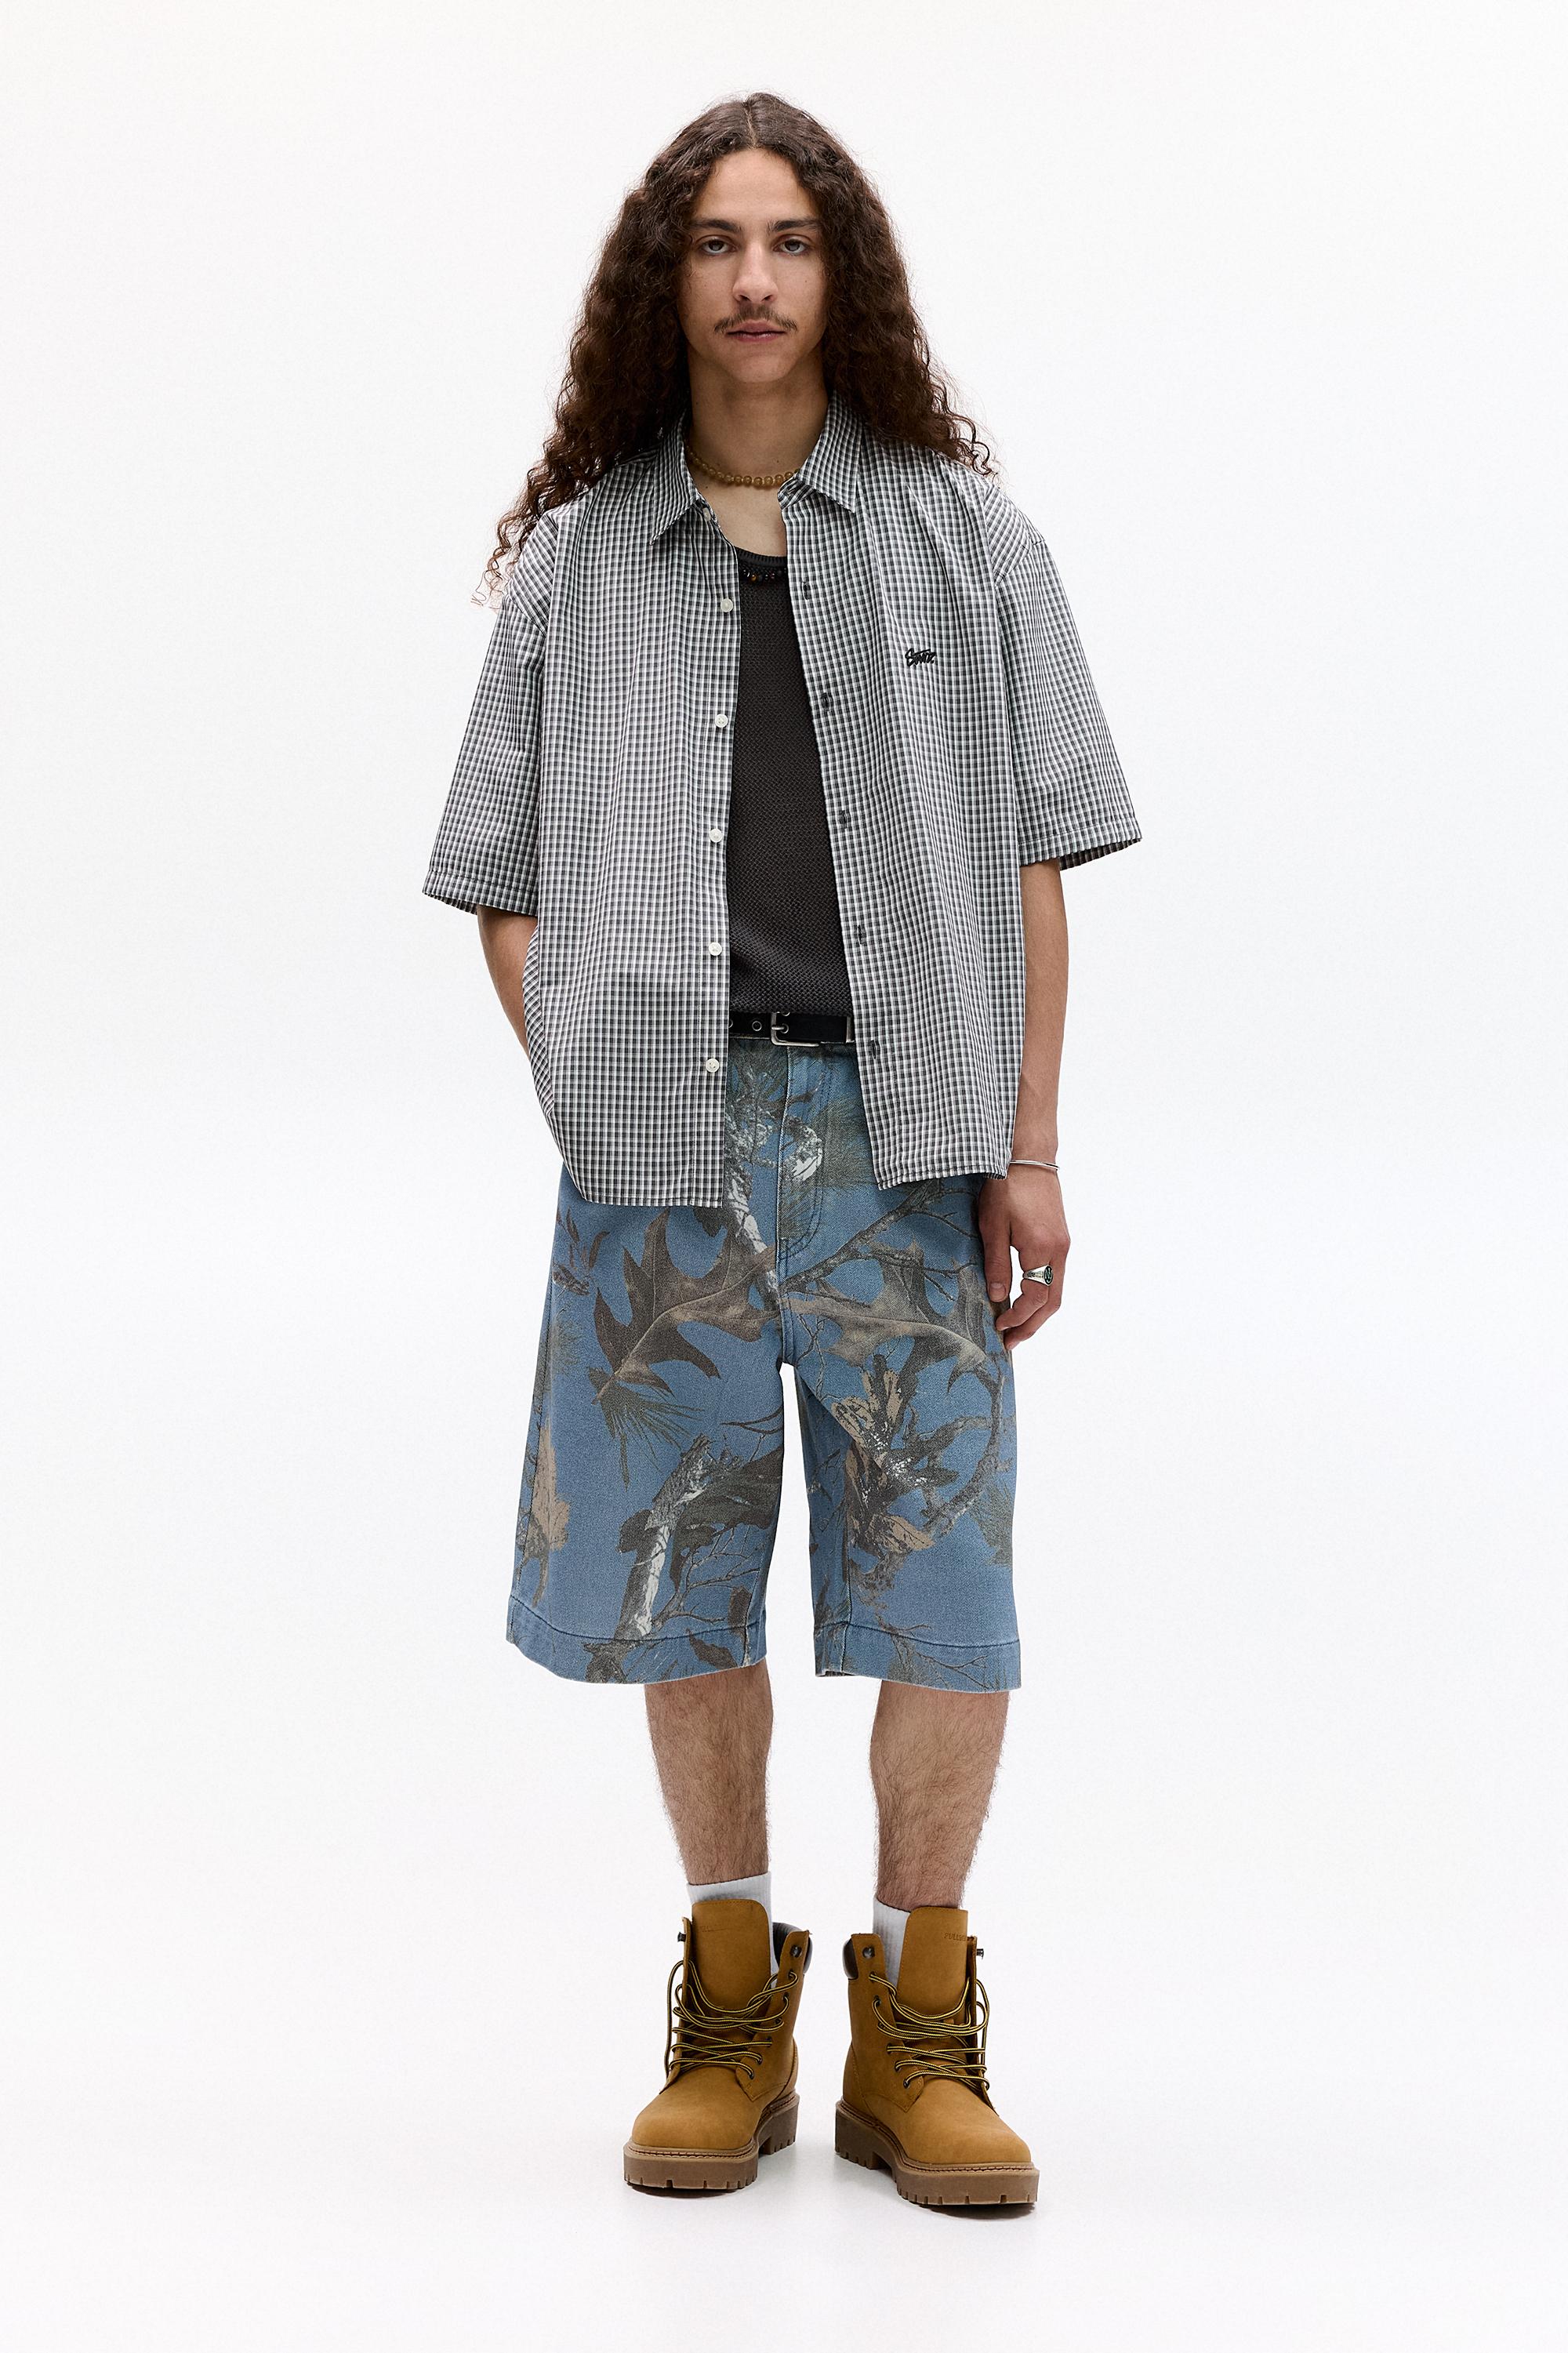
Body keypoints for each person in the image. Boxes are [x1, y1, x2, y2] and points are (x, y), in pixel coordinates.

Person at [423, 91, 1139, 2210]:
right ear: (667, 281)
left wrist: (1031, 1144)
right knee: (682, 1586)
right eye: (718, 243)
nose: (754, 281)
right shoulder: (575, 563)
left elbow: (1035, 860)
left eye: (792, 241)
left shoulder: (968, 541)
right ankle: (732, 2010)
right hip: (661, 1155)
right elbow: (496, 873)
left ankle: (919, 2030)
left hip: (908, 1144)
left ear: (846, 274)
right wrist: (590, 1069)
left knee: (946, 1592)